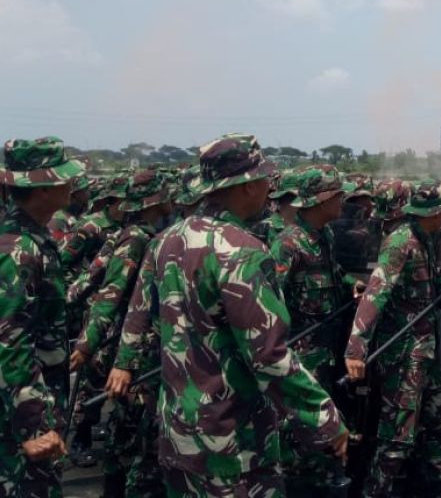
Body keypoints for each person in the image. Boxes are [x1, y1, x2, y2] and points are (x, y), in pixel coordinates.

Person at [119, 133, 347, 496]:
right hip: (233, 441)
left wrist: (124, 362)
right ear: (246, 186)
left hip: (179, 429)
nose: (267, 189)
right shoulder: (241, 251)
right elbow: (269, 354)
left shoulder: (167, 240)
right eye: (262, 181)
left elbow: (138, 311)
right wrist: (324, 417)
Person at [344, 180, 441, 498]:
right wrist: (356, 349)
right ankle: (375, 491)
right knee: (398, 435)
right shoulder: (400, 243)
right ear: (439, 212)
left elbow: (424, 290)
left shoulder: (429, 238)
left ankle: (438, 486)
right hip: (403, 355)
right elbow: (375, 296)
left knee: (439, 422)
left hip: (425, 352)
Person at [70, 168, 174, 498]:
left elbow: (91, 280)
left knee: (126, 431)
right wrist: (88, 344)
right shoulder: (139, 239)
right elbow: (111, 293)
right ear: (157, 201)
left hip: (125, 343)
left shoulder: (125, 233)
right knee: (132, 432)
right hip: (131, 347)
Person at [271, 165, 363, 494]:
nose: (343, 200)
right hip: (302, 358)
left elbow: (335, 278)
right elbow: (270, 305)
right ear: (320, 200)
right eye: (338, 194)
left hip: (328, 351)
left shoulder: (324, 235)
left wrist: (354, 285)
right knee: (300, 436)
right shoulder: (288, 244)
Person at [0, 137, 83, 497]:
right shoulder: (18, 250)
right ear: (41, 188)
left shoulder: (33, 239)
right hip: (18, 419)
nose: (71, 183)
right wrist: (34, 426)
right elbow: (9, 340)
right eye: (63, 178)